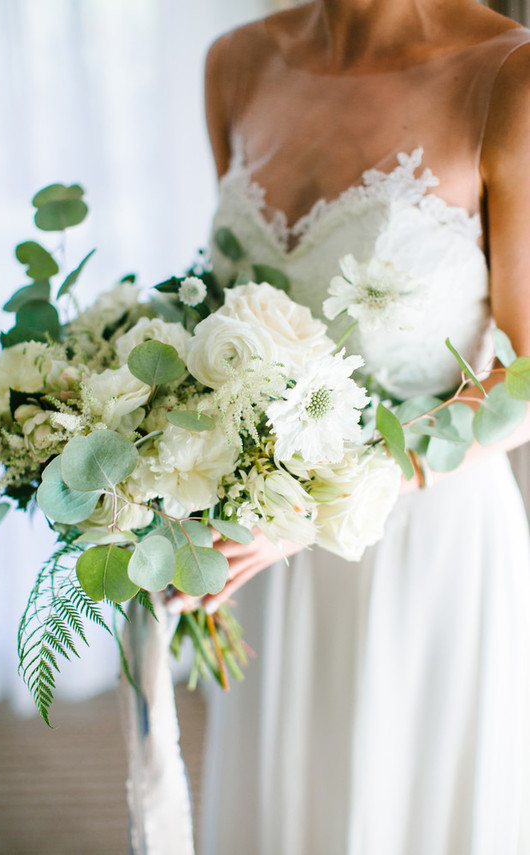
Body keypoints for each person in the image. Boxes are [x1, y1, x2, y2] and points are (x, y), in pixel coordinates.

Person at [167, 1, 530, 853]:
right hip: (261, 551)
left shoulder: (508, 76)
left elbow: (525, 379)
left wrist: (329, 498)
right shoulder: (234, 63)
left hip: (422, 538)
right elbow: (226, 302)